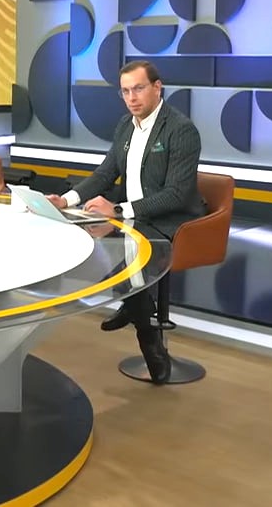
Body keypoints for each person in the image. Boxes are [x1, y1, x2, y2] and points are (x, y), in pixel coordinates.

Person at [47, 60, 205, 384]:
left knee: (123, 246)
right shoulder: (125, 126)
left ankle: (149, 340)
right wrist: (66, 199)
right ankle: (135, 303)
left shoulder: (181, 129)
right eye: (125, 91)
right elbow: (106, 173)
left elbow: (176, 195)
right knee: (90, 236)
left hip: (171, 221)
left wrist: (118, 210)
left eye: (138, 89)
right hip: (133, 216)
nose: (132, 97)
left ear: (157, 88)